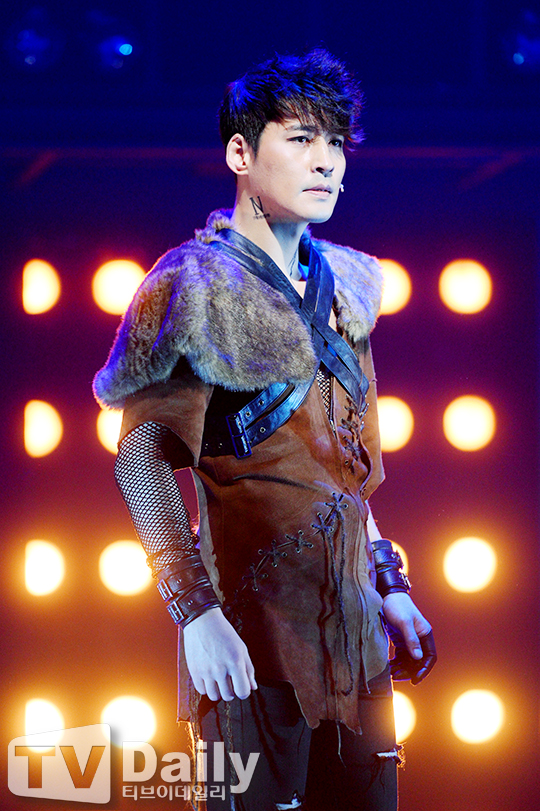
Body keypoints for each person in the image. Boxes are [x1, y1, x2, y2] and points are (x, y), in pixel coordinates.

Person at [93, 49, 436, 811]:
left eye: (336, 142)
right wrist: (195, 611)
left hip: (355, 642)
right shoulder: (194, 285)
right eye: (301, 138)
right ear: (241, 154)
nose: (326, 162)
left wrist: (390, 585)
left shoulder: (348, 289)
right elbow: (141, 460)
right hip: (249, 640)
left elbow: (345, 477)